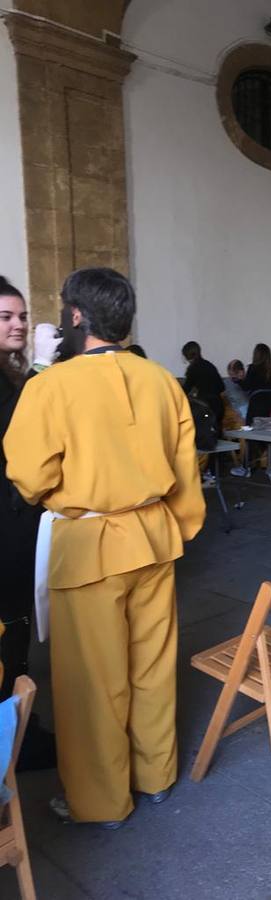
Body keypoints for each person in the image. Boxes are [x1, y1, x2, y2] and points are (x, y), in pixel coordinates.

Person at [4, 267, 205, 828]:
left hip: (89, 545)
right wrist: (177, 527)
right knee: (153, 667)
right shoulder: (162, 380)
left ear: (74, 316)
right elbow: (187, 469)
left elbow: (28, 474)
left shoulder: (51, 385)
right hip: (153, 538)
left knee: (92, 681)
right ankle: (156, 774)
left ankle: (101, 801)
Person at [0, 276, 58, 770]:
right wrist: (41, 368)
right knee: (9, 629)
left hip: (16, 519)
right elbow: (16, 430)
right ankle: (14, 740)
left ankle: (18, 726)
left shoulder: (9, 372)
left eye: (21, 316)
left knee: (17, 625)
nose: (18, 325)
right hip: (4, 524)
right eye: (5, 318)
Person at [231, 343, 271, 477]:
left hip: (258, 402)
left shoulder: (253, 368)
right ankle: (270, 466)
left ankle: (246, 467)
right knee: (269, 432)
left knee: (251, 434)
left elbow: (247, 386)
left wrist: (238, 380)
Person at [182, 340, 224, 423]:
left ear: (187, 356)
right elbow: (222, 387)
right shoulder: (210, 365)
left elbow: (185, 390)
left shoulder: (192, 369)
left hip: (205, 407)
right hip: (219, 406)